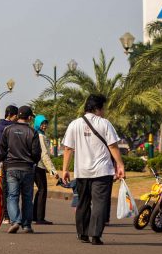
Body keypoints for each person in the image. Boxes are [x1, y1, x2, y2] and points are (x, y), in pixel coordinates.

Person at [60, 94, 126, 245]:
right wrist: (120, 165)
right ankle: (95, 235)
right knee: (100, 203)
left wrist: (65, 169)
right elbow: (113, 146)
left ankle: (82, 233)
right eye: (103, 108)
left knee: (83, 202)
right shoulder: (104, 123)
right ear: (98, 108)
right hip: (102, 171)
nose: (104, 112)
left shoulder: (74, 124)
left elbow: (68, 148)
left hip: (81, 171)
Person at [0, 106, 41, 233]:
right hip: (27, 168)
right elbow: (36, 153)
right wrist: (33, 162)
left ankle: (16, 221)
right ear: (29, 118)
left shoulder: (8, 129)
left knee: (12, 196)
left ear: (17, 116)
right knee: (27, 197)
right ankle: (27, 225)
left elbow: (2, 150)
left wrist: (1, 164)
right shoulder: (33, 132)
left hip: (11, 167)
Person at [0, 105, 18, 223]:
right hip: (12, 161)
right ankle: (12, 215)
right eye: (16, 116)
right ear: (12, 115)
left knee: (3, 189)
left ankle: (5, 216)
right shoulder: (14, 127)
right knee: (13, 190)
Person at [33, 114, 57, 225]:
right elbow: (44, 155)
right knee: (43, 190)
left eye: (45, 124)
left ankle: (35, 216)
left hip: (37, 166)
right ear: (37, 124)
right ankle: (39, 218)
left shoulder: (39, 134)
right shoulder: (40, 136)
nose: (44, 126)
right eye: (42, 124)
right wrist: (53, 171)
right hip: (38, 166)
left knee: (40, 190)